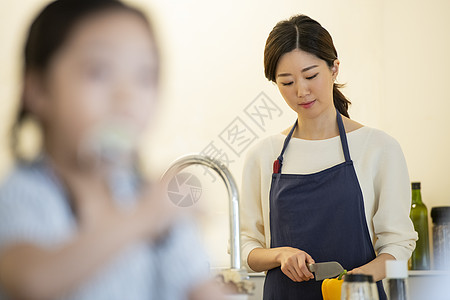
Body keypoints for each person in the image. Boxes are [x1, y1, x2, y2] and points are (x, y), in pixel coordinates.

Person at [0, 1, 221, 299]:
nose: (126, 96)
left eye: (145, 76)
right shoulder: (25, 193)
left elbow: (203, 291)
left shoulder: (148, 199)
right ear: (38, 90)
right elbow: (30, 280)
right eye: (99, 71)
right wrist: (145, 216)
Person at [240, 14, 417, 299]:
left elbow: (399, 245)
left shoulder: (378, 147)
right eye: (286, 82)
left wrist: (352, 282)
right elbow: (246, 246)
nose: (301, 91)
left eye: (311, 76)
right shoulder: (264, 155)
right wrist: (280, 255)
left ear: (334, 68)